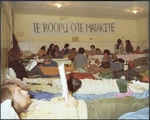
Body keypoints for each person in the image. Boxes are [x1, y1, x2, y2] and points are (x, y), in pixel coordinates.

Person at [1, 78, 87, 119]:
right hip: (85, 113)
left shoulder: (28, 106)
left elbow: (49, 105)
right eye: (19, 92)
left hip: (82, 105)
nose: (26, 92)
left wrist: (60, 100)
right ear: (12, 104)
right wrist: (72, 108)